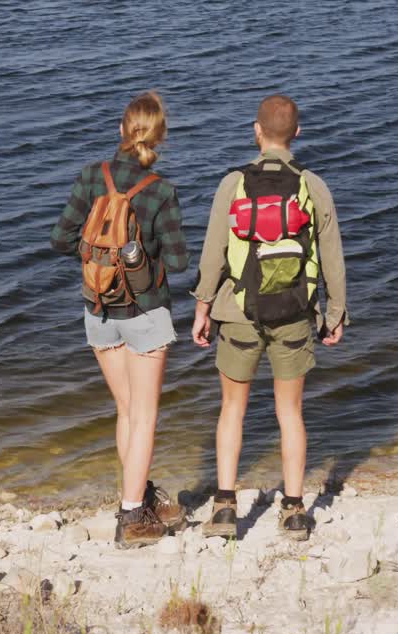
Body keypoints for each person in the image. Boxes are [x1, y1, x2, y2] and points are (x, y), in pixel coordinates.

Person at [191, 94, 348, 540]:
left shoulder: (232, 184)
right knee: (290, 413)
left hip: (238, 313)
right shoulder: (313, 185)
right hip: (295, 314)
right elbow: (332, 256)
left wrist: (203, 308)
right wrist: (335, 313)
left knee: (232, 411)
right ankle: (295, 510)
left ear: (256, 131)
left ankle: (224, 507)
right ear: (297, 133)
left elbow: (213, 255)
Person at [50, 91, 188, 548]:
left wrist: (98, 261)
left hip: (98, 307)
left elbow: (60, 238)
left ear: (121, 130)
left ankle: (139, 493)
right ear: (160, 136)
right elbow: (180, 261)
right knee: (144, 414)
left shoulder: (92, 177)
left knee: (126, 410)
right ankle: (132, 518)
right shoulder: (161, 191)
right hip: (146, 312)